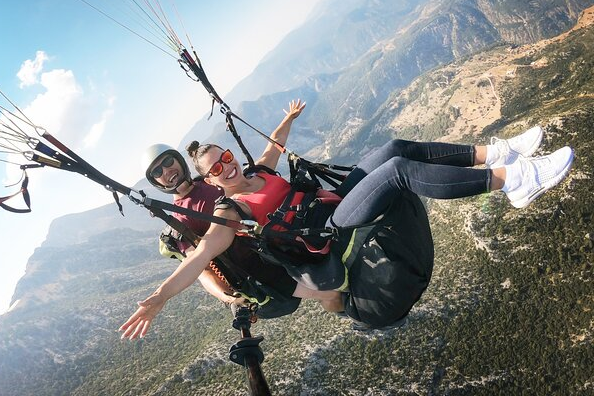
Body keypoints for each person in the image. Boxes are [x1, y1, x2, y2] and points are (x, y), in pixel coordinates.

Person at [120, 124, 574, 339]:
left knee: (392, 148)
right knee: (396, 171)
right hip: (329, 229)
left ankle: (499, 153)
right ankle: (514, 182)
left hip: (330, 200)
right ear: (212, 181)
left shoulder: (255, 170)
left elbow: (273, 148)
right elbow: (201, 257)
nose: (226, 165)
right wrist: (160, 297)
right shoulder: (231, 207)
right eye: (217, 166)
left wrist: (289, 120)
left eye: (224, 155)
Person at [138, 100, 308, 313]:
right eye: (157, 172)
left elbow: (267, 157)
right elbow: (201, 265)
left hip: (287, 237)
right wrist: (227, 298)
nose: (165, 171)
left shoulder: (212, 177)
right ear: (156, 183)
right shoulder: (181, 220)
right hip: (266, 269)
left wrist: (288, 118)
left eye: (167, 162)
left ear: (178, 160)